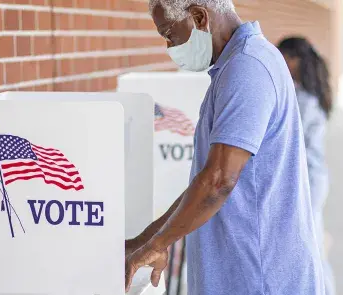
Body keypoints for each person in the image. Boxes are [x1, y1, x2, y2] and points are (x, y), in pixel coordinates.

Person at [124, 0, 326, 294]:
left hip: (259, 277)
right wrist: (145, 239)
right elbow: (206, 181)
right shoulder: (239, 64)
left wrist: (158, 245)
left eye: (169, 32)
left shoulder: (248, 68)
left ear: (198, 16)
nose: (169, 46)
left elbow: (218, 181)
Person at [278, 36, 335, 295]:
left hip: (309, 180)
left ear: (295, 59)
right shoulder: (311, 92)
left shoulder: (302, 99)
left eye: (284, 57)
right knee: (313, 243)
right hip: (315, 177)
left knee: (311, 248)